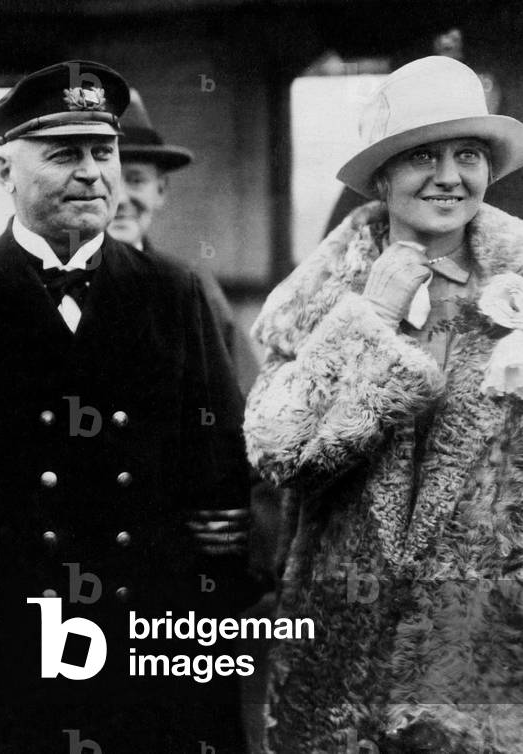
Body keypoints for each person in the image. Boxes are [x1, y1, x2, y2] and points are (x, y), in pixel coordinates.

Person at [0, 61, 257, 753]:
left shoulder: (176, 291)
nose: (91, 173)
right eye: (63, 154)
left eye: (101, 153)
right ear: (3, 173)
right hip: (11, 640)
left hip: (152, 637)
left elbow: (223, 465)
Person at [245, 55, 523, 752]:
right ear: (379, 175)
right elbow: (279, 452)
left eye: (467, 155)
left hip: (484, 643)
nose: (448, 177)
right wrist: (370, 317)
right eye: (421, 156)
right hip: (342, 636)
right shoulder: (315, 298)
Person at [108, 87, 260, 394]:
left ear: (160, 190)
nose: (121, 199)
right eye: (109, 181)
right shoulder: (58, 281)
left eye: (136, 180)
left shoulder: (190, 285)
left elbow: (244, 393)